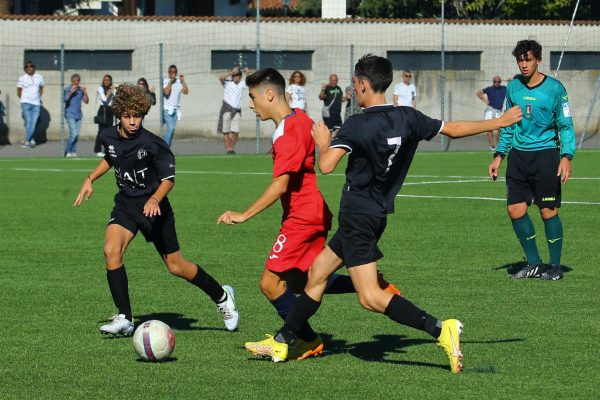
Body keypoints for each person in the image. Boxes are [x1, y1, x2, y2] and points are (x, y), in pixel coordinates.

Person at [245, 54, 522, 374]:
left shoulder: (358, 124)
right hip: (372, 215)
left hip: (358, 217)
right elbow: (455, 129)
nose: (353, 88)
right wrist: (499, 122)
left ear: (362, 85)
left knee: (371, 298)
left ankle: (440, 328)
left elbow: (326, 166)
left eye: (354, 83)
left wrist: (324, 143)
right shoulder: (408, 117)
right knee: (317, 276)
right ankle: (285, 339)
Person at [217, 68, 401, 360]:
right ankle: (367, 283)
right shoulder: (299, 119)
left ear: (269, 94)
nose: (250, 104)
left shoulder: (286, 131)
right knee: (301, 282)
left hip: (301, 217)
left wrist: (244, 214)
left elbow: (281, 185)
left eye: (252, 98)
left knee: (270, 284)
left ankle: (305, 338)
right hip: (314, 212)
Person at [73, 84, 238, 335]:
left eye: (137, 116)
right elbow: (111, 157)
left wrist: (155, 199)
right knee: (111, 250)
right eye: (127, 116)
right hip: (127, 204)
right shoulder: (108, 136)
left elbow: (168, 180)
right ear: (119, 114)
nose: (132, 121)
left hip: (155, 209)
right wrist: (90, 178)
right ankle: (125, 318)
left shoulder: (154, 143)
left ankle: (222, 296)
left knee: (176, 266)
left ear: (142, 113)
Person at [489, 40, 575, 281]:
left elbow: (566, 125)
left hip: (546, 155)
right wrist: (499, 155)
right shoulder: (514, 87)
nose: (524, 64)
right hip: (518, 156)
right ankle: (534, 263)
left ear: (538, 59)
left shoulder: (556, 89)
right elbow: (507, 125)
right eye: (520, 60)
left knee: (548, 211)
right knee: (515, 209)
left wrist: (566, 156)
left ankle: (555, 266)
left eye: (528, 59)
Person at [218, 66, 250, 154]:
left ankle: (230, 148)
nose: (236, 76)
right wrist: (231, 72)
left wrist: (247, 73)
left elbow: (252, 81)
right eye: (234, 75)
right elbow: (221, 78)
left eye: (238, 75)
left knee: (235, 132)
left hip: (237, 110)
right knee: (225, 131)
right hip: (227, 108)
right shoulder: (227, 83)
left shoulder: (242, 83)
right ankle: (229, 150)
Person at [17, 60, 44, 148]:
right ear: (25, 68)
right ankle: (29, 140)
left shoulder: (39, 77)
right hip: (25, 103)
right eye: (27, 66)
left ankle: (27, 141)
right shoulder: (22, 78)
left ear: (34, 68)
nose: (29, 68)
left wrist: (36, 97)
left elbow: (41, 88)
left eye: (31, 66)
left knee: (33, 122)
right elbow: (19, 91)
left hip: (36, 104)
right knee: (29, 122)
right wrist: (25, 98)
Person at [477, 76, 507, 151]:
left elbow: (511, 87)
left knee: (500, 129)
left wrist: (510, 81)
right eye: (495, 81)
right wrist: (485, 100)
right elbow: (479, 93)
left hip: (499, 111)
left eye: (498, 81)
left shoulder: (504, 89)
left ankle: (499, 145)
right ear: (493, 82)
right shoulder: (489, 89)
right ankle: (491, 146)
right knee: (489, 129)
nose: (497, 83)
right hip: (490, 111)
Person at [63, 73, 89, 158]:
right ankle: (68, 151)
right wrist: (71, 92)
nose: (76, 83)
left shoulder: (80, 90)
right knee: (73, 133)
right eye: (74, 81)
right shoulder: (67, 89)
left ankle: (73, 151)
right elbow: (65, 99)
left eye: (77, 81)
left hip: (78, 115)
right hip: (70, 114)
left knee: (75, 134)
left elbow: (86, 101)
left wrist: (85, 93)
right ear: (71, 81)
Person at [162, 64, 188, 146]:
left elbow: (186, 92)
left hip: (175, 110)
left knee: (172, 130)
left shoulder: (179, 82)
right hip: (167, 110)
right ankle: (164, 147)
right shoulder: (165, 81)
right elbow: (166, 92)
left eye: (174, 72)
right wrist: (171, 81)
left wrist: (183, 81)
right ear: (169, 72)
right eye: (171, 72)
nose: (173, 73)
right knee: (170, 129)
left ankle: (167, 147)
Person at [94, 74, 114, 157]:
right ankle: (98, 150)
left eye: (108, 80)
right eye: (105, 80)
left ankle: (107, 151)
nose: (106, 81)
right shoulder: (100, 89)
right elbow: (104, 99)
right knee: (101, 131)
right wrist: (109, 94)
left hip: (110, 110)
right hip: (103, 110)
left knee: (109, 132)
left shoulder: (112, 89)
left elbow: (116, 99)